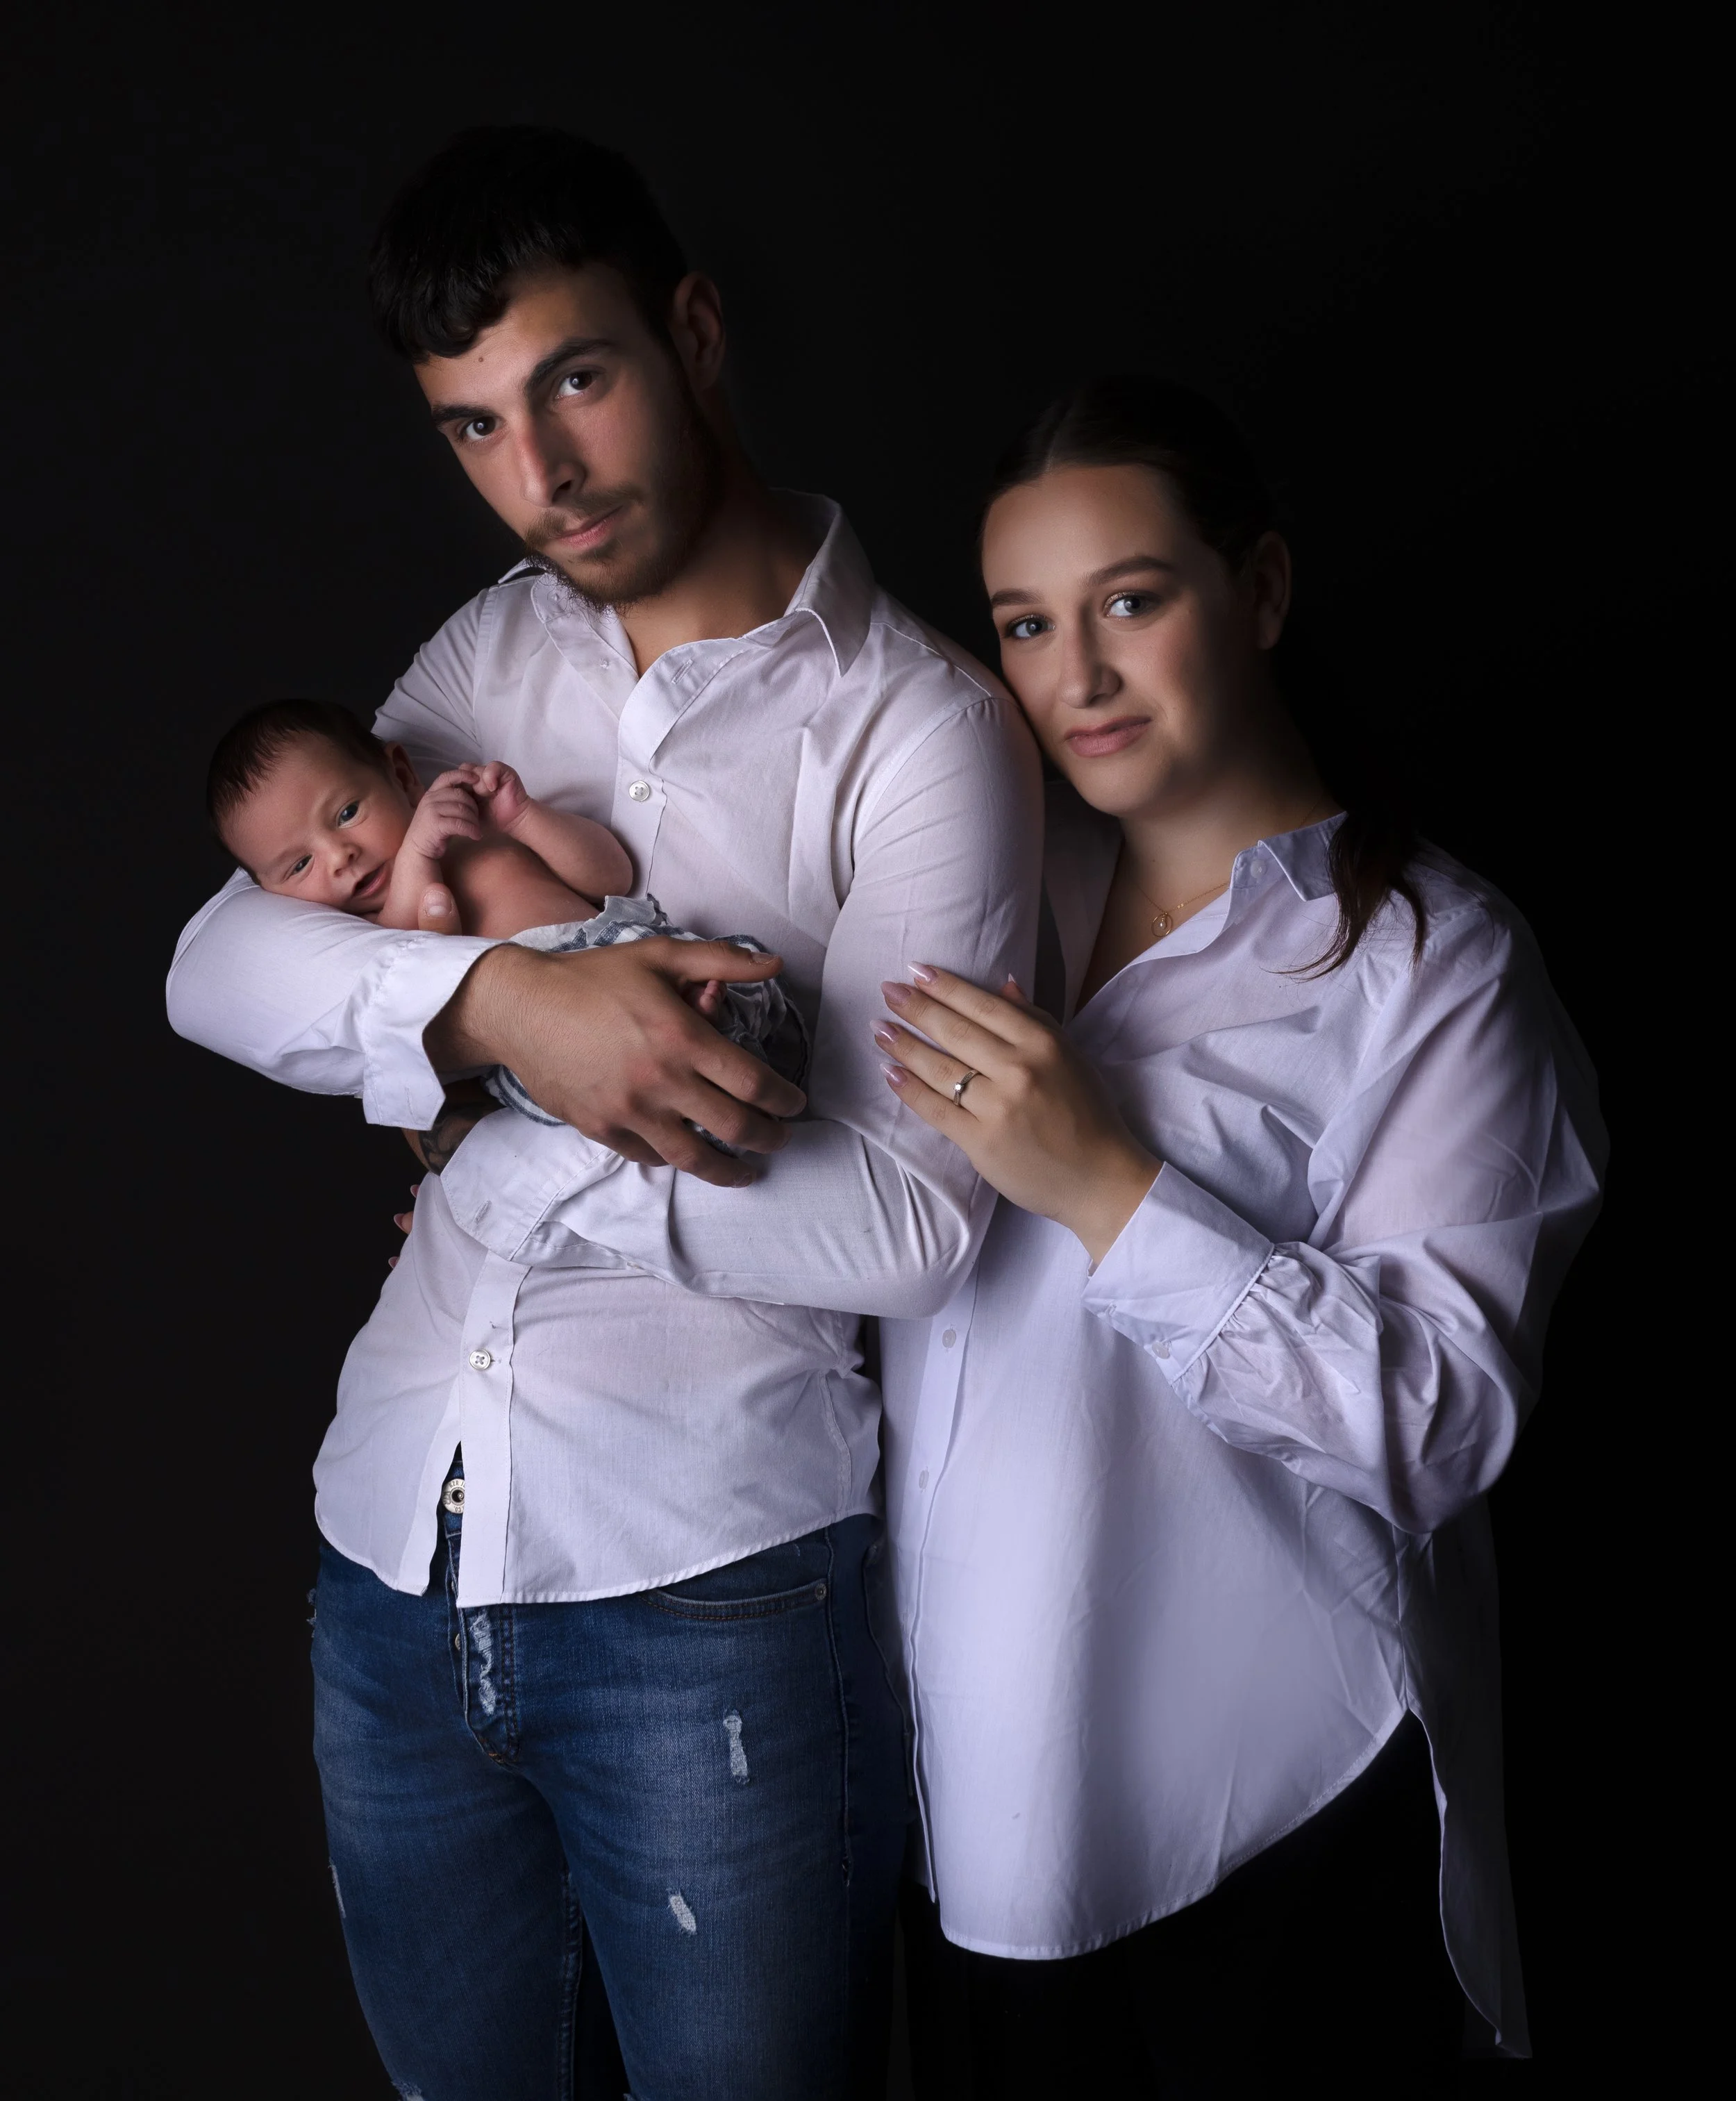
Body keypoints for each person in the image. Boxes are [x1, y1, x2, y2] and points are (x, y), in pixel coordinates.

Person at [167, 126, 1040, 2101]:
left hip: (710, 1598)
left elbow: (916, 1225)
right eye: (472, 427)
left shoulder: (917, 728)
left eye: (573, 380)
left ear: (694, 335)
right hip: (395, 1565)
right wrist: (503, 1003)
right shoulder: (492, 657)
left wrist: (531, 1149)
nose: (536, 477)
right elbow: (214, 967)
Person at [871, 377, 1607, 2093]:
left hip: (1271, 1834)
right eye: (1026, 626)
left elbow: (1439, 1424)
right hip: (948, 1836)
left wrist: (1115, 1191)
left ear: (1258, 589)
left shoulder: (1431, 970)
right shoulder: (974, 897)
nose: (1078, 677)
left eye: (1132, 599)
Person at [205, 698, 808, 1150]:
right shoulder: (376, 939)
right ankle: (703, 1062)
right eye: (300, 864)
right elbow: (423, 957)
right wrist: (418, 854)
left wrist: (525, 819)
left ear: (402, 773)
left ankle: (724, 1023)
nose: (340, 857)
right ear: (270, 895)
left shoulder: (478, 825)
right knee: (573, 1108)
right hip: (557, 1051)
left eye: (346, 812)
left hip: (630, 952)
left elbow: (610, 873)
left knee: (737, 970)